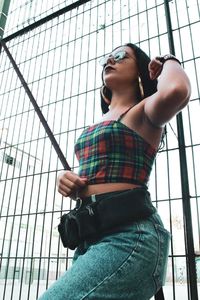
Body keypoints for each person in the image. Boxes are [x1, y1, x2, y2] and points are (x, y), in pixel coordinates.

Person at [39, 43, 191, 299]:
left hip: (131, 236)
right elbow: (97, 175)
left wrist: (167, 61)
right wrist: (67, 180)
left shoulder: (144, 111)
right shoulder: (100, 121)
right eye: (107, 57)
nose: (111, 59)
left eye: (121, 56)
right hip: (89, 237)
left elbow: (177, 90)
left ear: (140, 70)